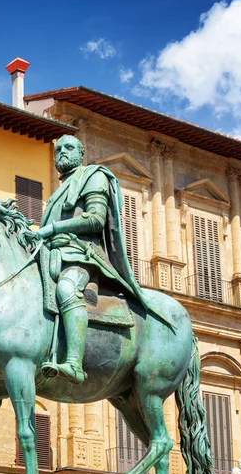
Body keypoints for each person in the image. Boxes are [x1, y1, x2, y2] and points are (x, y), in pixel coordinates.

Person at [37, 134, 167, 385]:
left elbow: (95, 219)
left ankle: (74, 362)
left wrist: (53, 229)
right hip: (53, 254)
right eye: (59, 149)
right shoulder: (59, 190)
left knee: (66, 289)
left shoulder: (94, 176)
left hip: (81, 255)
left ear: (81, 153)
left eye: (69, 148)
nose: (62, 152)